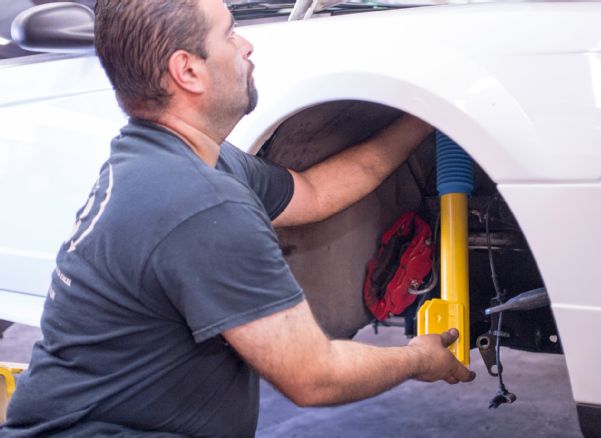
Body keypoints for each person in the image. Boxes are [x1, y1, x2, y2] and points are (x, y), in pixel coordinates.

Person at [2, 0, 475, 436]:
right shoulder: (200, 202)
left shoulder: (174, 158)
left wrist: (428, 117)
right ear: (187, 70)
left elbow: (315, 192)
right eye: (229, 34)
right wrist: (416, 359)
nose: (246, 45)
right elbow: (314, 377)